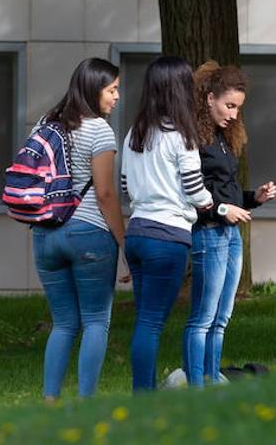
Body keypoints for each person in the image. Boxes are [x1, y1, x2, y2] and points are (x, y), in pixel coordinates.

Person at [30, 58, 126, 401]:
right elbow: (104, 193)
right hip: (88, 233)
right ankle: (86, 403)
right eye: (112, 89)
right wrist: (123, 242)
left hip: (44, 234)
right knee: (96, 321)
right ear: (92, 89)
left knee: (64, 323)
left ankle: (49, 399)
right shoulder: (99, 130)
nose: (117, 96)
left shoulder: (44, 124)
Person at [121, 56, 213, 391]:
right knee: (151, 322)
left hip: (138, 232)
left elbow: (123, 185)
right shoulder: (181, 136)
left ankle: (142, 391)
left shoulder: (135, 133)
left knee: (144, 319)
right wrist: (209, 203)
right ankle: (143, 397)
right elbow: (194, 189)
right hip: (168, 236)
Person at [182, 62, 276, 387]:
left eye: (238, 107)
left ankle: (212, 380)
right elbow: (192, 194)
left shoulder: (223, 137)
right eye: (230, 105)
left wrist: (255, 198)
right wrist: (222, 211)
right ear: (209, 98)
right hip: (208, 232)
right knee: (203, 319)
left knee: (221, 319)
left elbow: (227, 191)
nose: (235, 114)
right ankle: (197, 386)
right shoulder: (191, 138)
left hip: (229, 234)